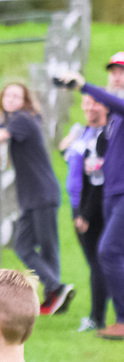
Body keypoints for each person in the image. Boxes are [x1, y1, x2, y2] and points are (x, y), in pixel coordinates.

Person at [0, 83, 72, 314]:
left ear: (25, 100)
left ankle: (55, 294)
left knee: (47, 247)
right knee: (22, 245)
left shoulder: (22, 120)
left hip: (42, 194)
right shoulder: (15, 122)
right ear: (2, 98)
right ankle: (56, 289)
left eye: (17, 95)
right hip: (32, 196)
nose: (12, 99)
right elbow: (0, 149)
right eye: (8, 94)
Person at [54, 65, 124, 339]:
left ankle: (120, 319)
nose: (116, 77)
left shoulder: (118, 108)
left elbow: (113, 102)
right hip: (110, 194)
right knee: (109, 255)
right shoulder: (113, 117)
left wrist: (84, 85)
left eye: (122, 72)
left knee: (107, 252)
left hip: (120, 194)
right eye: (113, 72)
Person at [65, 93, 114, 331]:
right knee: (97, 263)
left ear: (105, 106)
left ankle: (97, 317)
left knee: (99, 262)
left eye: (94, 102)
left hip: (94, 206)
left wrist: (84, 213)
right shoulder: (85, 132)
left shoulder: (105, 136)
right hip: (77, 202)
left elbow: (98, 180)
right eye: (85, 102)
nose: (88, 107)